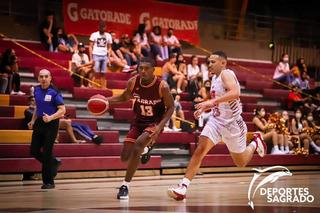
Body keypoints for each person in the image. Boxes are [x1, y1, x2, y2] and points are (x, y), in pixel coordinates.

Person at [167, 51, 266, 201]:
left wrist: (211, 103)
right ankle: (182, 187)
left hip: (233, 124)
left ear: (223, 63)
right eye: (209, 62)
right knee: (200, 149)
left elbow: (236, 92)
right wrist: (204, 107)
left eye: (213, 62)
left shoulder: (227, 74)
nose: (210, 64)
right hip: (216, 121)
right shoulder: (214, 79)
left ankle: (255, 142)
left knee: (241, 162)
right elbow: (217, 99)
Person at [104, 57, 174, 199]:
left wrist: (159, 127)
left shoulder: (162, 86)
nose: (143, 71)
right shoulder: (133, 82)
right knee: (124, 157)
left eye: (146, 68)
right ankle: (146, 151)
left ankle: (125, 186)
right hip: (138, 122)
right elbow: (124, 97)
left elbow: (171, 107)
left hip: (154, 123)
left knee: (138, 146)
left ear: (153, 70)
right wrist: (105, 101)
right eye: (140, 68)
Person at [28, 69, 66, 189]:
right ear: (38, 78)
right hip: (40, 122)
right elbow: (37, 107)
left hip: (51, 124)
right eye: (41, 77)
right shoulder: (36, 90)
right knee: (34, 151)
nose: (43, 79)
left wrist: (51, 118)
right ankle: (53, 162)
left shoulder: (54, 92)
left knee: (47, 152)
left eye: (46, 76)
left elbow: (62, 110)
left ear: (50, 78)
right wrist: (33, 120)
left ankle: (48, 182)